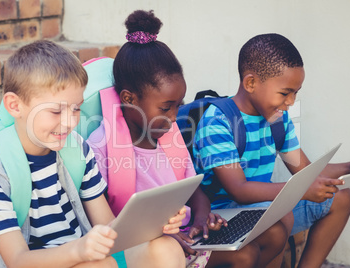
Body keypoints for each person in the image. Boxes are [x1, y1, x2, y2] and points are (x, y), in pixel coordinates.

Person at [87, 10, 287, 268]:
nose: (173, 117)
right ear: (129, 99)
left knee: (275, 233)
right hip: (139, 248)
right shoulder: (101, 144)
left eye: (178, 105)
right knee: (244, 256)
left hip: (184, 235)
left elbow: (193, 187)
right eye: (165, 108)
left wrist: (202, 218)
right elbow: (100, 219)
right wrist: (163, 234)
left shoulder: (167, 135)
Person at [0, 40, 187, 268]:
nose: (69, 122)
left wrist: (153, 224)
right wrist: (80, 250)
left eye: (76, 108)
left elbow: (108, 226)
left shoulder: (76, 149)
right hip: (32, 262)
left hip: (79, 255)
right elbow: (18, 260)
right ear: (15, 106)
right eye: (55, 111)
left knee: (166, 249)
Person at [193, 33, 350, 267]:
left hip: (261, 208)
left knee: (340, 198)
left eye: (296, 92)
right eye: (285, 93)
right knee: (280, 216)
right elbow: (239, 191)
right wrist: (300, 191)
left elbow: (304, 170)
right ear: (251, 83)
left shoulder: (277, 119)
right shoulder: (219, 121)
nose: (291, 101)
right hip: (221, 217)